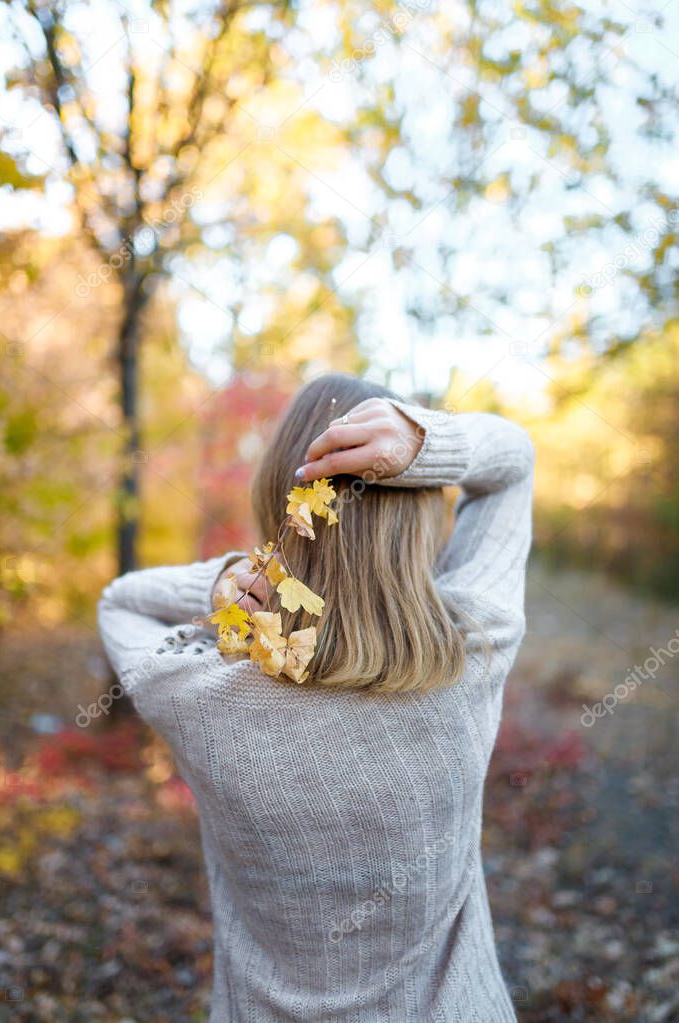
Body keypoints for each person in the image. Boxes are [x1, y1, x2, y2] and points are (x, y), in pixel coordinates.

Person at [97, 371, 535, 1022]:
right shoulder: (473, 648)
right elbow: (515, 461)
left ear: (277, 497)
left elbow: (121, 600)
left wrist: (224, 583)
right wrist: (426, 442)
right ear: (420, 510)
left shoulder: (202, 689)